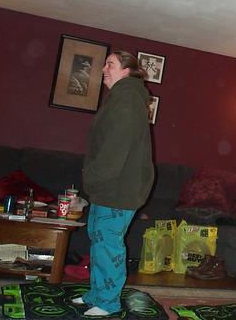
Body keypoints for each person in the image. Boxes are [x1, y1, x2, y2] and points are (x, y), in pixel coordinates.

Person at [72, 51, 155, 317]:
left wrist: (91, 178)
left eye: (111, 64)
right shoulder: (120, 97)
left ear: (126, 71)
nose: (104, 69)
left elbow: (115, 150)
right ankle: (97, 293)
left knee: (108, 245)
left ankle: (108, 303)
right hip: (108, 187)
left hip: (118, 188)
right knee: (98, 240)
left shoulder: (128, 99)